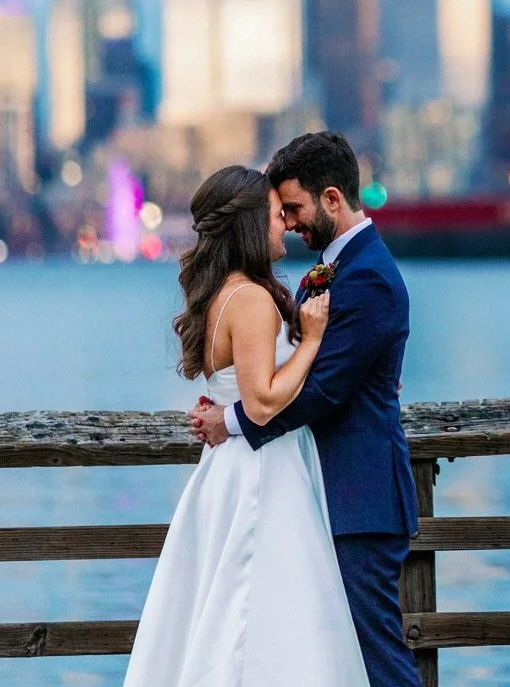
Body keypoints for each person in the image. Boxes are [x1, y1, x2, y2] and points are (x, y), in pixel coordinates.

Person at [190, 132, 423, 687]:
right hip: (323, 493)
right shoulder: (336, 269)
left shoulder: (369, 279)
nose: (289, 222)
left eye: (293, 208)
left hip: (359, 499)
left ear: (333, 199)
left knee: (376, 656)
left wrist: (232, 419)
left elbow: (321, 390)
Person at [124, 164, 370, 686]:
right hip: (264, 474)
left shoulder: (224, 296)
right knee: (268, 611)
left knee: (229, 608)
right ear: (249, 225)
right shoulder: (253, 301)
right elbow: (262, 404)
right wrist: (312, 339)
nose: (284, 224)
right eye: (275, 215)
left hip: (226, 470)